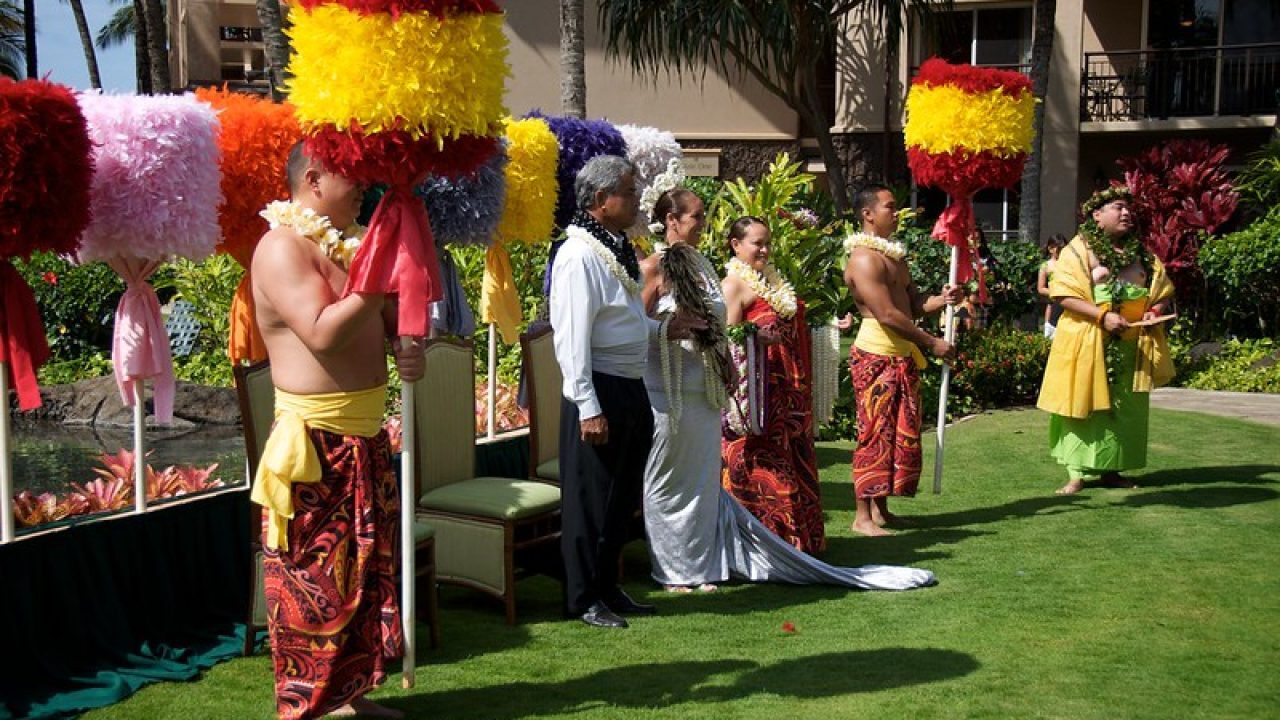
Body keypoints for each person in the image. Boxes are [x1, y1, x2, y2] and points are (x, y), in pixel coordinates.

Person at [643, 192, 937, 593]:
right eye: (696, 216)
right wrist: (721, 339)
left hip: (738, 388)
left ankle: (703, 562)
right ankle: (673, 570)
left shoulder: (704, 268)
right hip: (686, 391)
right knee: (676, 481)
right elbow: (644, 329)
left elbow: (716, 332)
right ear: (672, 220)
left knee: (700, 481)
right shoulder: (657, 269)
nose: (703, 222)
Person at [250, 142, 421, 720]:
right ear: (315, 179)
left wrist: (405, 341)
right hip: (316, 445)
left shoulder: (343, 246)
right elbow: (322, 332)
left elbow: (378, 318)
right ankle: (307, 707)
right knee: (315, 583)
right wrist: (375, 283)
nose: (365, 190)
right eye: (357, 180)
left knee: (364, 574)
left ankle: (349, 696)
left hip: (363, 436)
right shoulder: (280, 247)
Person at [549, 155, 704, 629]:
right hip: (598, 387)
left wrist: (662, 328)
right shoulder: (577, 254)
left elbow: (629, 320)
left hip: (629, 383)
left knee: (621, 496)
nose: (638, 200)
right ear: (600, 201)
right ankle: (582, 597)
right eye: (630, 193)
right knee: (591, 497)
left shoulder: (613, 245)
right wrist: (588, 406)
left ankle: (608, 584)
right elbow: (570, 337)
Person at [1037, 186, 1174, 495]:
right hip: (1088, 341)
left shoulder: (1142, 253)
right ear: (1097, 216)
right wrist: (1102, 316)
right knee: (1083, 405)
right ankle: (1077, 473)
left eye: (1128, 208)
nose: (1126, 213)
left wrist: (1154, 310)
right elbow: (1063, 293)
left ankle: (1112, 470)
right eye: (1118, 207)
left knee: (1123, 409)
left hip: (1130, 347)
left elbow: (1162, 291)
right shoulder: (1079, 249)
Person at [843, 185, 962, 537]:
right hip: (875, 353)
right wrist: (930, 343)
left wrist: (941, 299)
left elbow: (912, 305)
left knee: (897, 434)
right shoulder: (864, 258)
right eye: (890, 207)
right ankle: (861, 516)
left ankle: (881, 511)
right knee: (874, 432)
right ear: (868, 214)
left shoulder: (894, 256)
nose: (896, 213)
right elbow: (887, 314)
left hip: (900, 354)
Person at [721, 216, 825, 555]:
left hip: (789, 389)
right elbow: (725, 339)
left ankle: (797, 542)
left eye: (767, 242)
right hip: (759, 396)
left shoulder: (773, 282)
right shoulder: (734, 285)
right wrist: (755, 336)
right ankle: (762, 546)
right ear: (736, 246)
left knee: (793, 460)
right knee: (764, 469)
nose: (765, 249)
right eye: (757, 243)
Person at [1037, 234, 1067, 338]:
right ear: (1051, 249)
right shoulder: (1046, 266)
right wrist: (1055, 291)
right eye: (1059, 249)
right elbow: (1040, 288)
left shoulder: (1068, 264)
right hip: (1054, 303)